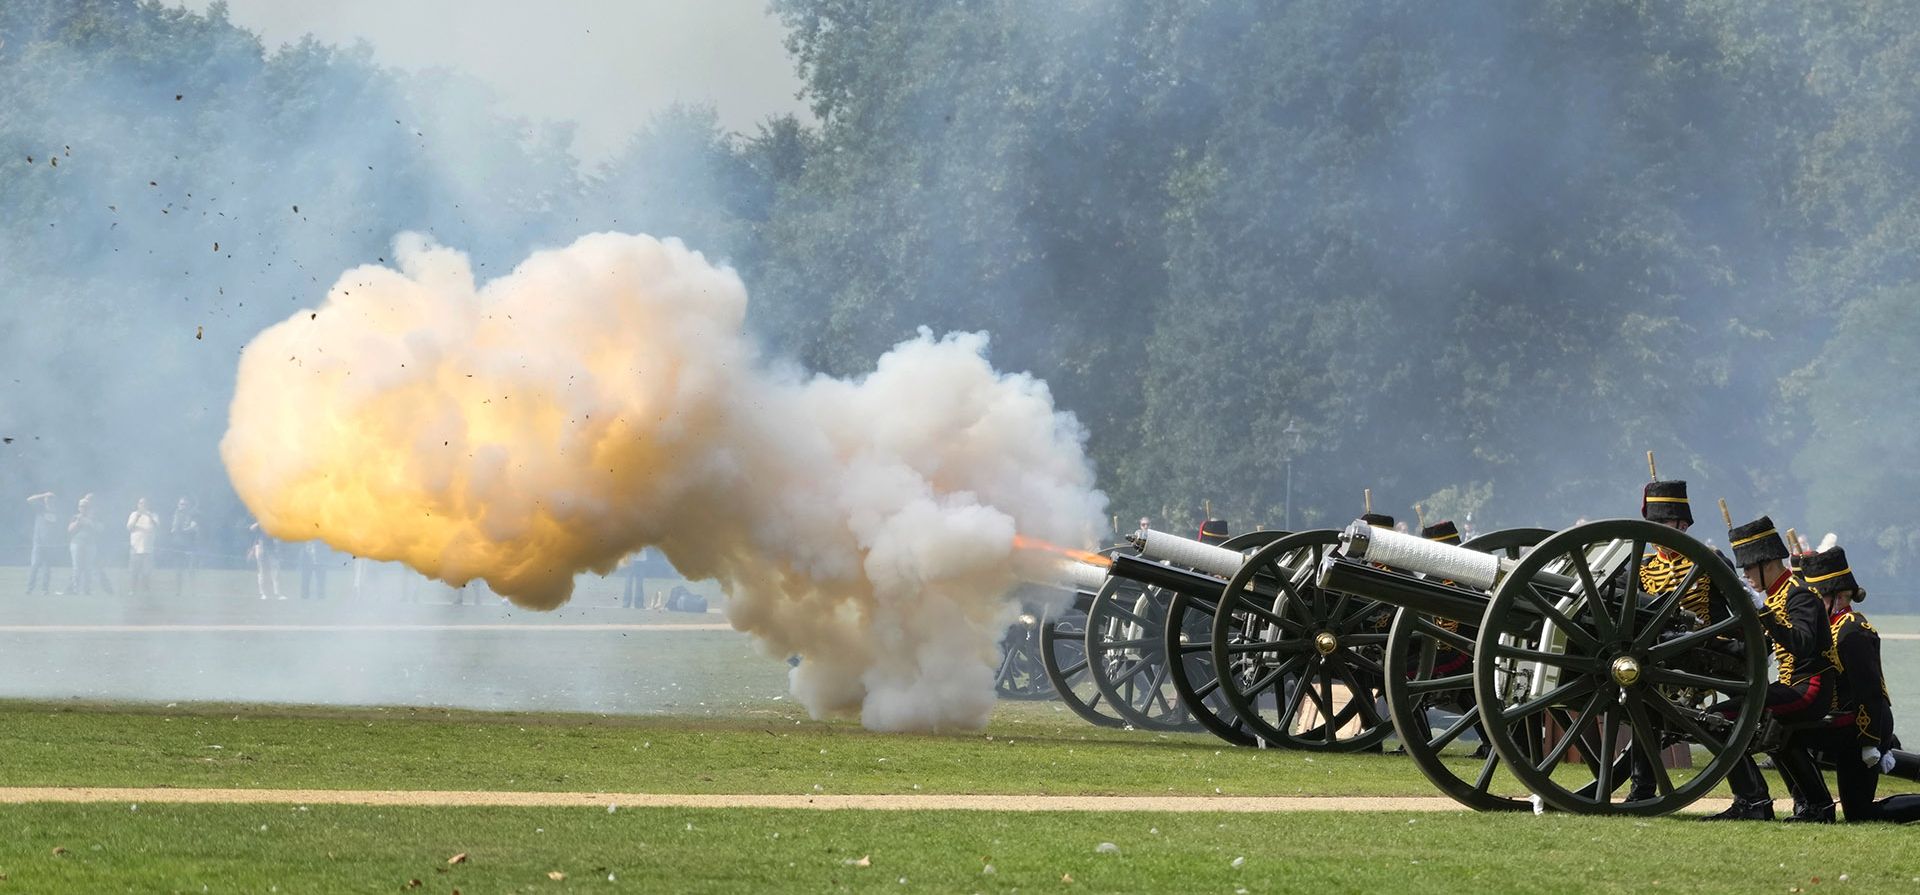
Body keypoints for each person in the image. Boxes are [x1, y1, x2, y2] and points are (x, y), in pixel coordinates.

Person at [1699, 515, 1833, 821]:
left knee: (1717, 719)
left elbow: (1802, 644)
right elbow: (1762, 649)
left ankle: (1753, 801)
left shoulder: (1799, 595)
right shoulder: (1776, 597)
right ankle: (1817, 805)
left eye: (1748, 567)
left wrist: (1764, 614)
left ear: (1768, 563)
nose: (1746, 574)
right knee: (1778, 737)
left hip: (1808, 688)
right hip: (1793, 686)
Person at [1788, 546, 1920, 823]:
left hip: (1863, 727)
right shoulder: (1830, 627)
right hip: (1841, 725)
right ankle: (1813, 805)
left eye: (1817, 597)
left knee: (1859, 813)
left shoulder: (1852, 630)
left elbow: (1870, 691)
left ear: (1837, 596)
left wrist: (1871, 742)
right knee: (1788, 736)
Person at [65, 494, 111, 595]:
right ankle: (75, 590)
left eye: (85, 506)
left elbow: (100, 529)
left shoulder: (94, 518)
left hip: (90, 545)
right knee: (77, 567)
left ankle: (86, 590)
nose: (83, 508)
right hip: (77, 544)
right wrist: (78, 522)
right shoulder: (75, 517)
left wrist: (90, 522)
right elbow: (70, 530)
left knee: (88, 568)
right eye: (81, 506)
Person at [25, 492, 58, 595]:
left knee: (47, 568)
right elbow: (29, 499)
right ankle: (29, 588)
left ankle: (45, 589)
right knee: (35, 566)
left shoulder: (56, 511)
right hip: (39, 544)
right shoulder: (40, 509)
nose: (48, 500)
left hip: (50, 545)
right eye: (47, 498)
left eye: (50, 498)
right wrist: (43, 495)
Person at [126, 497, 159, 594]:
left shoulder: (153, 515)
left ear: (148, 505)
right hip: (135, 548)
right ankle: (132, 590)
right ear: (138, 505)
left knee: (146, 572)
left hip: (148, 549)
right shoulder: (133, 515)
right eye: (140, 503)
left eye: (144, 504)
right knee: (133, 572)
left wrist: (150, 517)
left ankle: (146, 591)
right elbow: (129, 527)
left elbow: (157, 527)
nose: (142, 506)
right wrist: (137, 517)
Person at [169, 497, 201, 596]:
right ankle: (178, 591)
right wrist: (174, 530)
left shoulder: (193, 515)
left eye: (184, 504)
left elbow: (194, 527)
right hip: (178, 545)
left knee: (191, 570)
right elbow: (173, 529)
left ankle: (193, 591)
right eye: (180, 504)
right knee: (178, 570)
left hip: (190, 545)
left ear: (188, 506)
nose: (182, 506)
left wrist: (186, 529)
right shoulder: (176, 515)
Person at [249, 520, 282, 599]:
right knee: (262, 571)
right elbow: (251, 528)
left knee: (275, 571)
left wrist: (277, 549)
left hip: (271, 549)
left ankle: (277, 593)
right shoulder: (260, 524)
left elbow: (276, 537)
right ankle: (263, 593)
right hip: (261, 548)